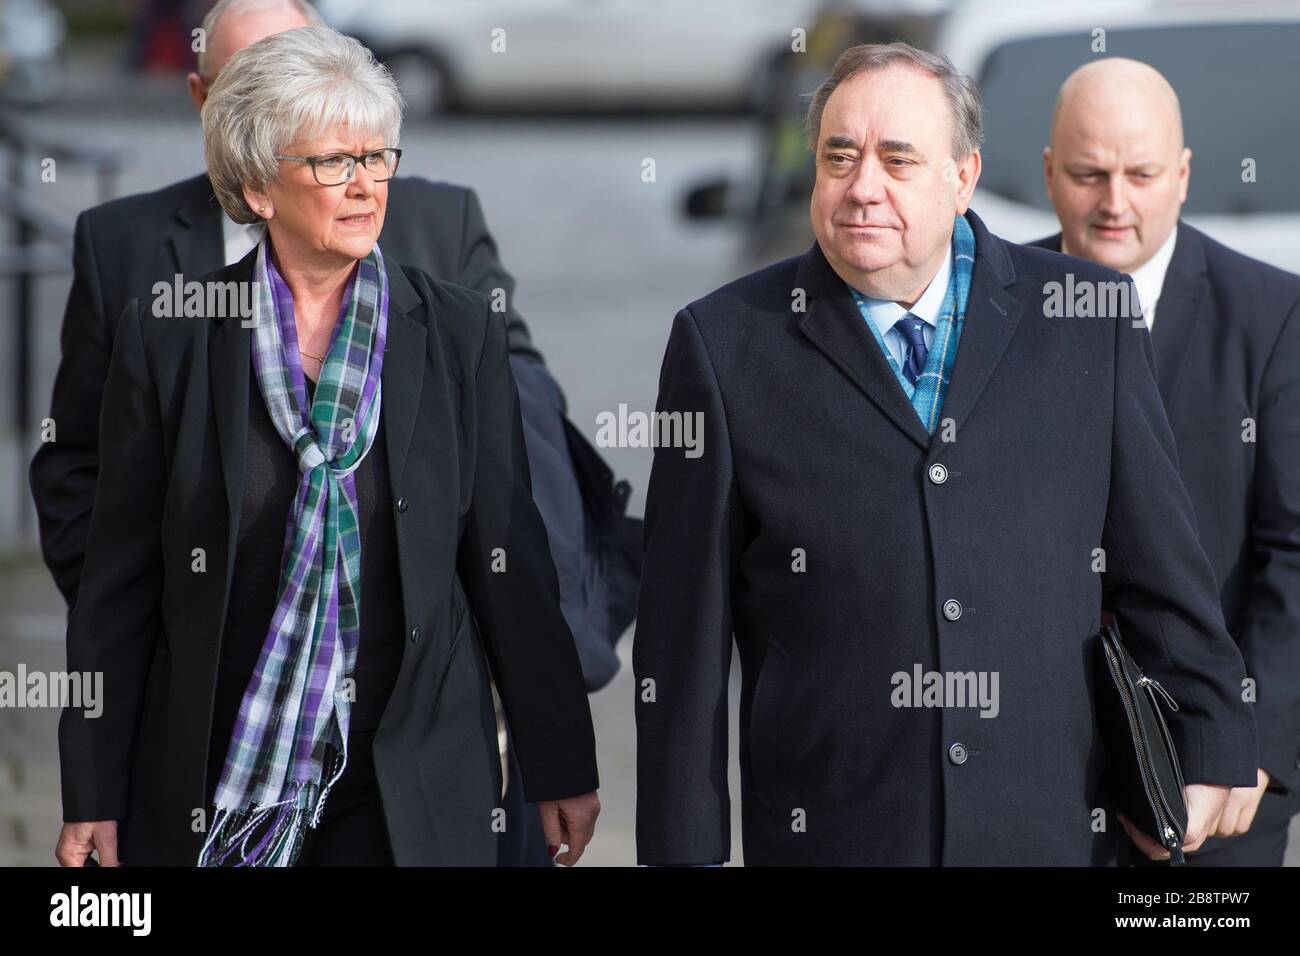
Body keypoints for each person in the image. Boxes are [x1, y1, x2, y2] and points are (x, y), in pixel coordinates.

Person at [30, 0, 637, 867]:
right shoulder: (169, 340)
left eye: (377, 156)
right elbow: (119, 584)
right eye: (332, 161)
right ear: (253, 186)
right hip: (220, 775)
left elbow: (508, 560)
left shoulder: (458, 332)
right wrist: (92, 785)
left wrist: (560, 762)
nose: (365, 184)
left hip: (413, 772)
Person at [633, 42, 1257, 866]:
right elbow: (683, 638)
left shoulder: (1087, 317)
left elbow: (1163, 571)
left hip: (1049, 828)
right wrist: (684, 848)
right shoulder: (724, 344)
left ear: (962, 177)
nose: (864, 187)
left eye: (898, 159)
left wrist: (1213, 736)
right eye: (840, 157)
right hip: (837, 831)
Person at [1033, 57, 1300, 866]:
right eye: (1089, 174)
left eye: (1141, 174)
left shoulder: (1273, 316)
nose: (1115, 203)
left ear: (1182, 176)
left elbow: (1293, 554)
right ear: (1049, 173)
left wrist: (1254, 747)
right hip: (1040, 777)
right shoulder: (994, 312)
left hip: (1219, 781)